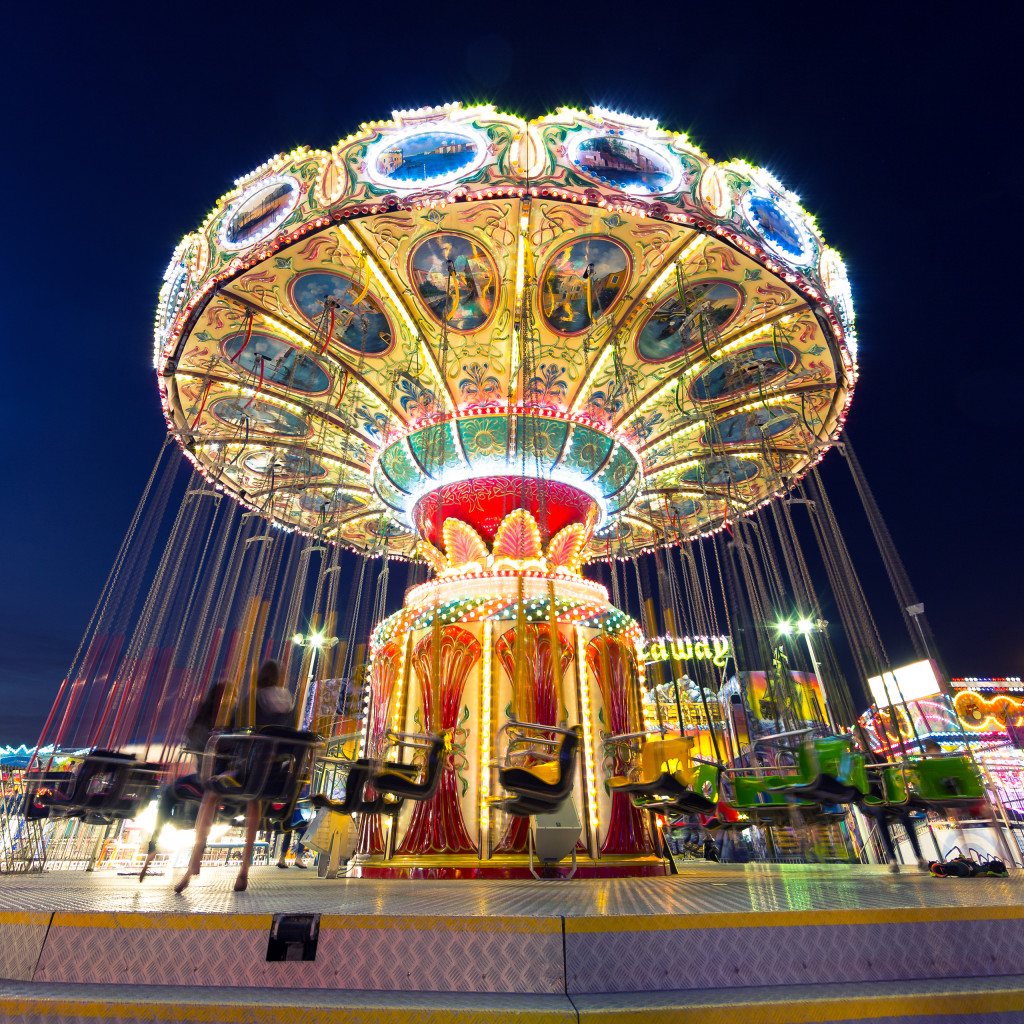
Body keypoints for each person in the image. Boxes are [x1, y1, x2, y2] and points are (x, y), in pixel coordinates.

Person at [175, 660, 296, 893]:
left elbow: (232, 732)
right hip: (275, 778)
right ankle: (244, 870)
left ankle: (196, 857)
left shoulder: (251, 701)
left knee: (211, 792)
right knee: (254, 802)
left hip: (247, 772)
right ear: (280, 679)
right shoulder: (292, 706)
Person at [139, 680, 228, 882]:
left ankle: (154, 845)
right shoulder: (231, 724)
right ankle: (194, 855)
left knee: (169, 793)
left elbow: (194, 749)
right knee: (204, 809)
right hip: (226, 781)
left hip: (204, 780)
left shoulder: (202, 725)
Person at [855, 729, 927, 873]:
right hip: (870, 799)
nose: (864, 741)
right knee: (879, 814)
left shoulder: (879, 759)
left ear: (869, 739)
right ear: (857, 740)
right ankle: (892, 859)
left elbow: (890, 775)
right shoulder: (856, 761)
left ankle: (919, 857)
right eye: (860, 738)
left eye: (866, 738)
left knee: (904, 814)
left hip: (885, 798)